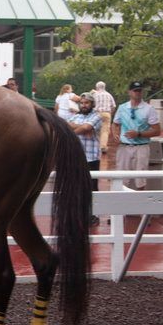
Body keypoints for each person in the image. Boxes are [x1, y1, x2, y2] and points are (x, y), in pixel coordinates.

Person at [112, 81, 161, 190]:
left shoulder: (149, 109)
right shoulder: (122, 107)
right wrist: (115, 134)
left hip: (141, 147)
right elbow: (115, 123)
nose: (138, 93)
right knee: (121, 177)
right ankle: (122, 201)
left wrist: (139, 134)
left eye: (139, 91)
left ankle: (140, 201)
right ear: (129, 92)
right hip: (124, 147)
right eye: (135, 91)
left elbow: (157, 131)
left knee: (140, 178)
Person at [67, 92, 102, 225]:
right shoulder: (75, 116)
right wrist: (83, 129)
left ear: (92, 104)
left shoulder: (97, 116)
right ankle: (79, 214)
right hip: (77, 157)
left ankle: (93, 215)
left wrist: (73, 131)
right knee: (76, 187)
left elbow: (87, 127)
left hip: (91, 158)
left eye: (87, 103)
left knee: (92, 187)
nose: (84, 105)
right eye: (82, 103)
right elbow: (69, 125)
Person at [93, 81, 116, 154]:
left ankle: (96, 146)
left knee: (96, 130)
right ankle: (103, 146)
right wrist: (110, 113)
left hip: (96, 114)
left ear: (97, 87)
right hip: (106, 113)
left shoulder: (95, 95)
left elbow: (91, 105)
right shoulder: (109, 95)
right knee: (105, 131)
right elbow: (113, 106)